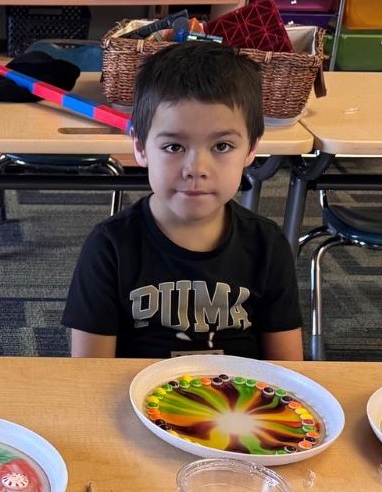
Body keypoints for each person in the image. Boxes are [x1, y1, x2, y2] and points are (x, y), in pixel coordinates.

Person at [63, 42, 302, 360]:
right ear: (140, 147)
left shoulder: (267, 245)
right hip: (132, 391)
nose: (196, 169)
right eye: (174, 147)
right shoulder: (110, 247)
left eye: (222, 146)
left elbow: (288, 371)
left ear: (252, 149)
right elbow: (90, 373)